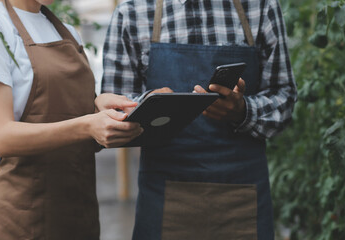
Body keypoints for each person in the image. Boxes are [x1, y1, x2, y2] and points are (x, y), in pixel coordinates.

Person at [102, 0, 297, 239]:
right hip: (164, 196)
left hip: (243, 196)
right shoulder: (132, 13)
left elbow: (284, 98)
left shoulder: (260, 6)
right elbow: (111, 112)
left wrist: (243, 110)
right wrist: (149, 104)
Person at [0, 0, 143, 239]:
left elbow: (70, 115)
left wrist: (98, 108)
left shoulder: (65, 30)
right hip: (21, 220)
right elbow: (2, 137)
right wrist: (87, 125)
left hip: (78, 216)